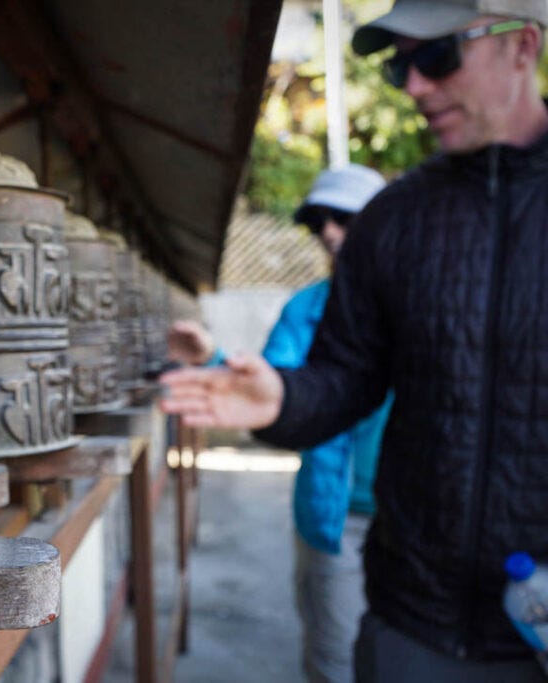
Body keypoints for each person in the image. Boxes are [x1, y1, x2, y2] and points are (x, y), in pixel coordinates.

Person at [160, 0, 548, 680]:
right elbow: (343, 377)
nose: (414, 86)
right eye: (400, 64)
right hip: (412, 622)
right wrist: (278, 398)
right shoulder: (393, 220)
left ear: (522, 46)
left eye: (436, 57)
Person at [169, 164, 389, 683]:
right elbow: (275, 387)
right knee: (337, 658)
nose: (330, 233)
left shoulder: (427, 299)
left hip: (419, 518)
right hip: (338, 521)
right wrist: (217, 358)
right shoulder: (305, 308)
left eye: (344, 219)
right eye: (318, 223)